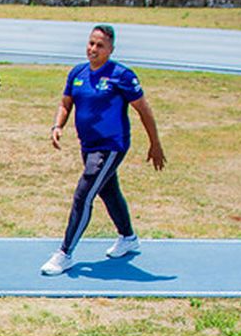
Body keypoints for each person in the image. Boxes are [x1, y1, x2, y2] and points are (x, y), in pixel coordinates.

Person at [40, 24, 165, 276]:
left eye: (100, 45)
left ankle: (64, 253)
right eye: (91, 43)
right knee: (108, 190)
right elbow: (66, 103)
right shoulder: (78, 73)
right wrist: (58, 125)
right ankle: (128, 238)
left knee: (83, 194)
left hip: (111, 146)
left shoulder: (122, 75)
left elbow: (143, 110)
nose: (93, 49)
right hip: (88, 145)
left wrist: (155, 143)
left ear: (111, 49)